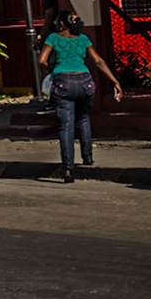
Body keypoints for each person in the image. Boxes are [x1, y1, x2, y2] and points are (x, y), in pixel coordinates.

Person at [40, 14, 122, 183]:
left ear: (61, 23)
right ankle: (88, 157)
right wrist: (115, 82)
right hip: (85, 82)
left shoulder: (53, 38)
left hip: (63, 83)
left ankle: (68, 169)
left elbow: (42, 60)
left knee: (66, 126)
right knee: (83, 117)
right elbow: (98, 61)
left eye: (57, 22)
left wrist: (52, 70)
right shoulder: (83, 39)